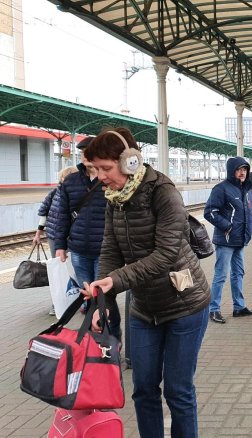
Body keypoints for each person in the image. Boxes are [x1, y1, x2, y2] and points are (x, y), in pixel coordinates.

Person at [82, 127, 210, 438]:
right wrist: (102, 302)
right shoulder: (114, 197)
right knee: (143, 389)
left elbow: (165, 255)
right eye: (95, 169)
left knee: (178, 392)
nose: (100, 176)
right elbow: (110, 249)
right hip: (143, 308)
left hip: (185, 305)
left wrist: (115, 280)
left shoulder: (162, 191)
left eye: (105, 168)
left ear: (130, 161)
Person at [52, 137, 122, 334]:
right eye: (82, 152)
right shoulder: (71, 181)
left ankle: (113, 337)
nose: (84, 156)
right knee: (88, 296)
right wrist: (60, 246)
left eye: (88, 152)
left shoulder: (110, 181)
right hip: (79, 250)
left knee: (105, 297)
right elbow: (62, 215)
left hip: (105, 251)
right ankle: (94, 340)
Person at [205, 157, 252, 323]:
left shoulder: (248, 189)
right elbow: (210, 212)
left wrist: (251, 228)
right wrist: (227, 227)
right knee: (221, 275)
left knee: (238, 274)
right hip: (226, 240)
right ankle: (214, 309)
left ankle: (239, 307)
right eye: (239, 169)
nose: (242, 172)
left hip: (240, 239)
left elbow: (251, 211)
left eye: (245, 169)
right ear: (231, 171)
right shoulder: (221, 189)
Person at [34, 166, 78, 315]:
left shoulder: (81, 193)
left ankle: (79, 299)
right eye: (66, 178)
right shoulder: (54, 193)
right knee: (57, 269)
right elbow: (44, 213)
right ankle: (58, 302)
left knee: (76, 267)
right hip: (54, 236)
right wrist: (38, 233)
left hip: (74, 236)